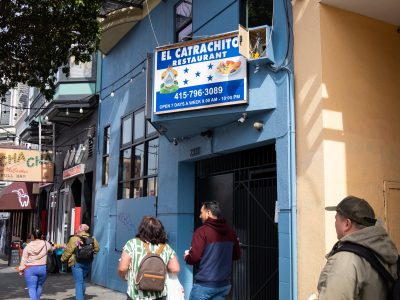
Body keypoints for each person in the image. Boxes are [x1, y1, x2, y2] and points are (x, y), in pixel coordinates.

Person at [317, 195, 399, 299]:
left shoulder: (345, 260)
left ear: (347, 224)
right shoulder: (386, 250)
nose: (335, 223)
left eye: (336, 219)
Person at [184, 201, 241, 300]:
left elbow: (194, 257)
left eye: (201, 212)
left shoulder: (201, 232)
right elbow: (237, 255)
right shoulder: (231, 233)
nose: (200, 216)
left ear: (208, 212)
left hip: (204, 286)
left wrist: (187, 257)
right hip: (223, 285)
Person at [118, 216, 180, 300]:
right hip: (159, 295)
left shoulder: (132, 244)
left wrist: (125, 277)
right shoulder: (166, 248)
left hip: (136, 295)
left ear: (142, 229)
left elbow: (122, 268)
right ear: (160, 231)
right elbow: (175, 269)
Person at [61, 224, 99, 300]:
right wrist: (89, 254)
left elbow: (68, 251)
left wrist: (63, 259)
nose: (77, 228)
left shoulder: (74, 238)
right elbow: (97, 249)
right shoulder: (92, 238)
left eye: (78, 227)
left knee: (79, 282)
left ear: (81, 229)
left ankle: (79, 298)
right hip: (87, 262)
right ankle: (81, 296)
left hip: (76, 262)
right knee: (82, 280)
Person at [18, 228, 52, 300]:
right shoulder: (46, 244)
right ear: (42, 236)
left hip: (30, 269)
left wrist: (21, 269)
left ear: (32, 236)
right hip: (42, 268)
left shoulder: (28, 246)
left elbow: (24, 259)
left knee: (32, 287)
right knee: (39, 286)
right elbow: (52, 249)